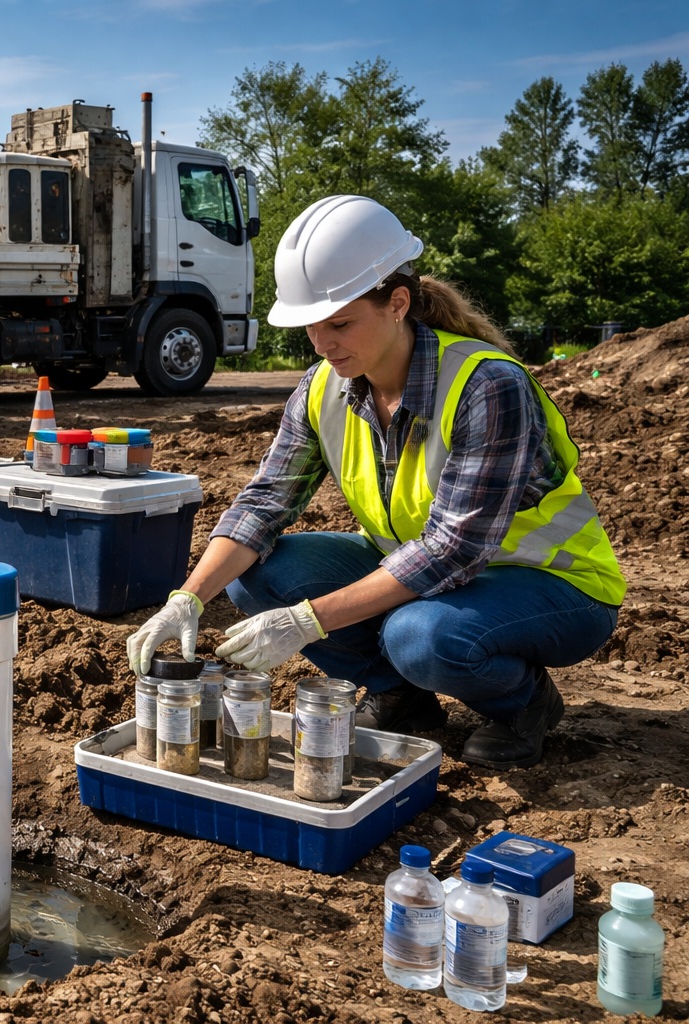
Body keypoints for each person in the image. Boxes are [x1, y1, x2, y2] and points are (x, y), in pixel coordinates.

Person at [127, 195, 624, 771]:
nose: (322, 343)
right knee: (256, 575)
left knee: (419, 636)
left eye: (340, 323)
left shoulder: (487, 386)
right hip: (424, 570)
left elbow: (453, 549)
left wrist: (307, 621)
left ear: (398, 304)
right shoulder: (324, 386)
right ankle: (401, 695)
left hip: (549, 582)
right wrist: (188, 598)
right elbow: (265, 501)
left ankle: (523, 704)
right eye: (312, 325)